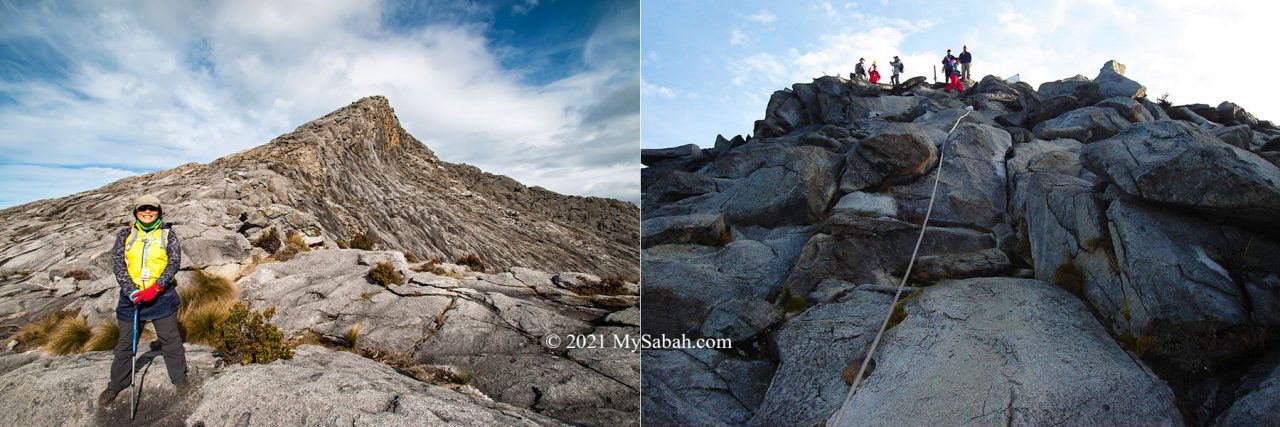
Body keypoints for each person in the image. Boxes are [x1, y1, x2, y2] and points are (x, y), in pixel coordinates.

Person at [98, 194, 188, 407]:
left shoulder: (168, 235)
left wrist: (156, 287)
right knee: (125, 344)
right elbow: (118, 265)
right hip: (131, 299)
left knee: (170, 340)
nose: (147, 212)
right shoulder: (125, 235)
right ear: (136, 212)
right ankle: (117, 383)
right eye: (142, 209)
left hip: (162, 298)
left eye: (152, 209)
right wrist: (131, 290)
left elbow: (173, 262)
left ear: (158, 212)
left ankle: (180, 378)